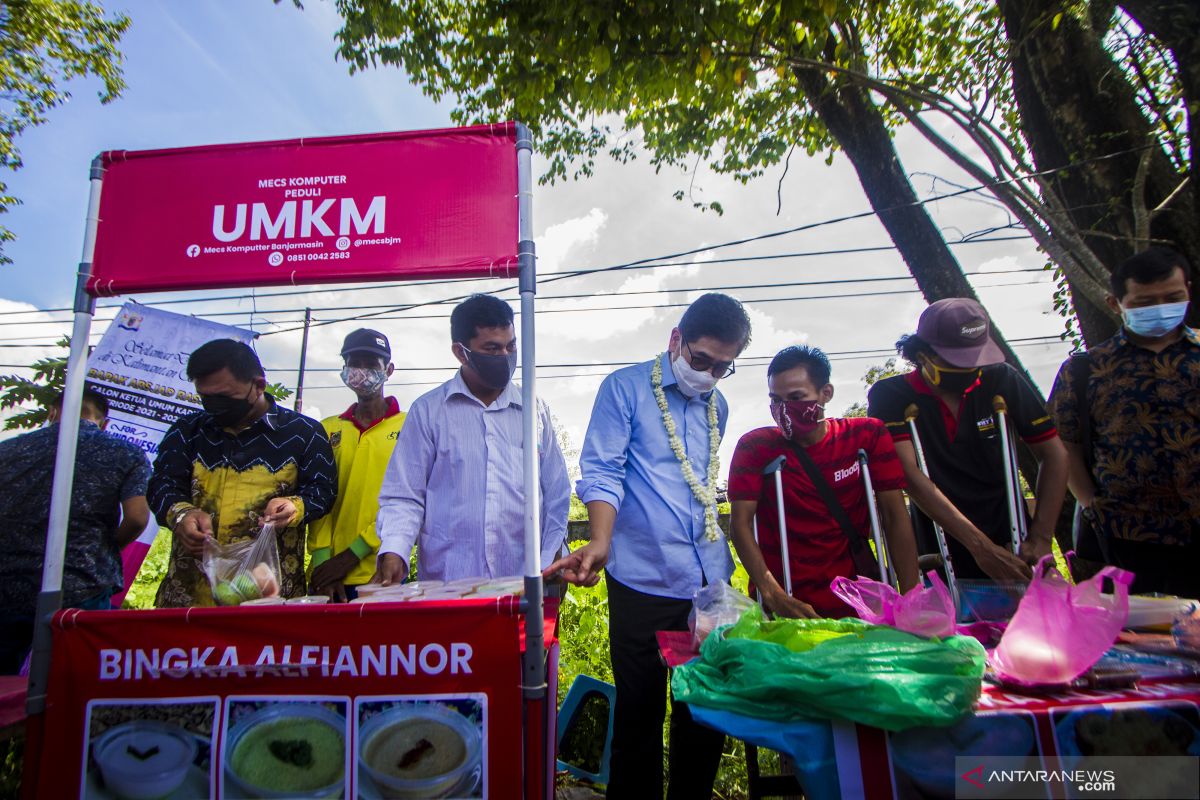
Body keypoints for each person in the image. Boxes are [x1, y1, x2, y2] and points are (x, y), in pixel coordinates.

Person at [546, 293, 752, 800]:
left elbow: (702, 485)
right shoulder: (625, 389)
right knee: (638, 718)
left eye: (723, 367)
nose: (707, 375)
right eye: (701, 360)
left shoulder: (717, 406)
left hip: (707, 585)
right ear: (675, 340)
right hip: (643, 578)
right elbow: (602, 471)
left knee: (701, 718)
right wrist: (599, 540)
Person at [373, 294, 570, 584]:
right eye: (491, 349)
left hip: (524, 582)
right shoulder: (429, 412)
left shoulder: (534, 411)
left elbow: (556, 494)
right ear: (460, 351)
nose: (505, 356)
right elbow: (404, 494)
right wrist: (394, 550)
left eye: (511, 346)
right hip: (449, 585)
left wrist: (552, 555)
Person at [867, 298, 1068, 581]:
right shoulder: (892, 395)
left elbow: (1054, 453)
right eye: (955, 361)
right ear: (922, 353)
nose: (969, 369)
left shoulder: (1001, 380)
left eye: (975, 359)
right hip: (940, 541)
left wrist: (1042, 537)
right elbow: (908, 474)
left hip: (1010, 535)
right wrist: (980, 547)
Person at [1048, 247, 1199, 595]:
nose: (1160, 309)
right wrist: (1090, 502)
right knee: (1142, 638)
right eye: (1144, 302)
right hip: (1131, 534)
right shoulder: (1085, 369)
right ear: (1116, 303)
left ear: (1188, 290)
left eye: (1173, 297)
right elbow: (1063, 443)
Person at [729, 345, 919, 619]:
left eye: (796, 397)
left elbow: (894, 515)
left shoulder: (866, 435)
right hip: (788, 603)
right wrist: (773, 594)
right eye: (775, 400)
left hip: (858, 597)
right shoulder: (755, 447)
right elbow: (740, 525)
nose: (784, 410)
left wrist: (910, 598)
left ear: (825, 393)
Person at [148, 339, 336, 607]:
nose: (214, 407)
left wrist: (294, 507)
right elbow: (161, 485)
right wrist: (181, 514)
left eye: (224, 398)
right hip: (190, 598)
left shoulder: (303, 434)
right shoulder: (188, 431)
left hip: (268, 598)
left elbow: (323, 491)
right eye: (206, 398)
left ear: (258, 385)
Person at [0, 389, 150, 673]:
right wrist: (107, 547)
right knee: (75, 681)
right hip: (82, 584)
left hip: (8, 585)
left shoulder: (8, 451)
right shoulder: (126, 453)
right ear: (104, 423)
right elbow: (137, 518)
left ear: (52, 413)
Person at [308, 329, 405, 602]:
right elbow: (319, 499)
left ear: (389, 370)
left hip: (382, 572)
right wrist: (323, 563)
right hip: (327, 577)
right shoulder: (327, 429)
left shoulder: (409, 427)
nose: (361, 371)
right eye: (354, 363)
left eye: (371, 363)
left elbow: (408, 501)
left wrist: (353, 555)